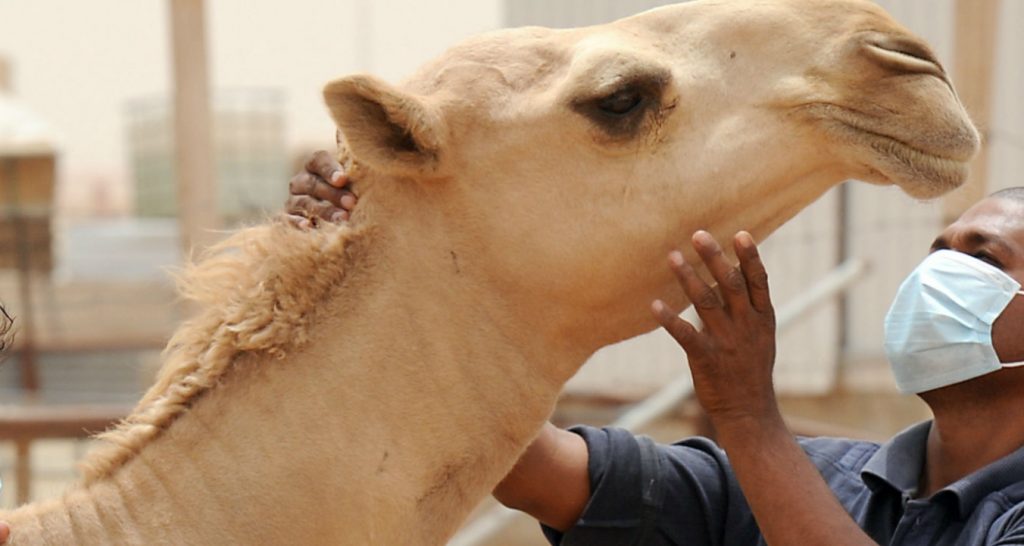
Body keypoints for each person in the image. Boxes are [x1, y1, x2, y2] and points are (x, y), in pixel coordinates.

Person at [5, 154, 1024, 544]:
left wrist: (749, 418)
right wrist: (372, 279)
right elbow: (529, 466)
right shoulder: (819, 481)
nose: (945, 263)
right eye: (942, 244)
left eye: (988, 254)